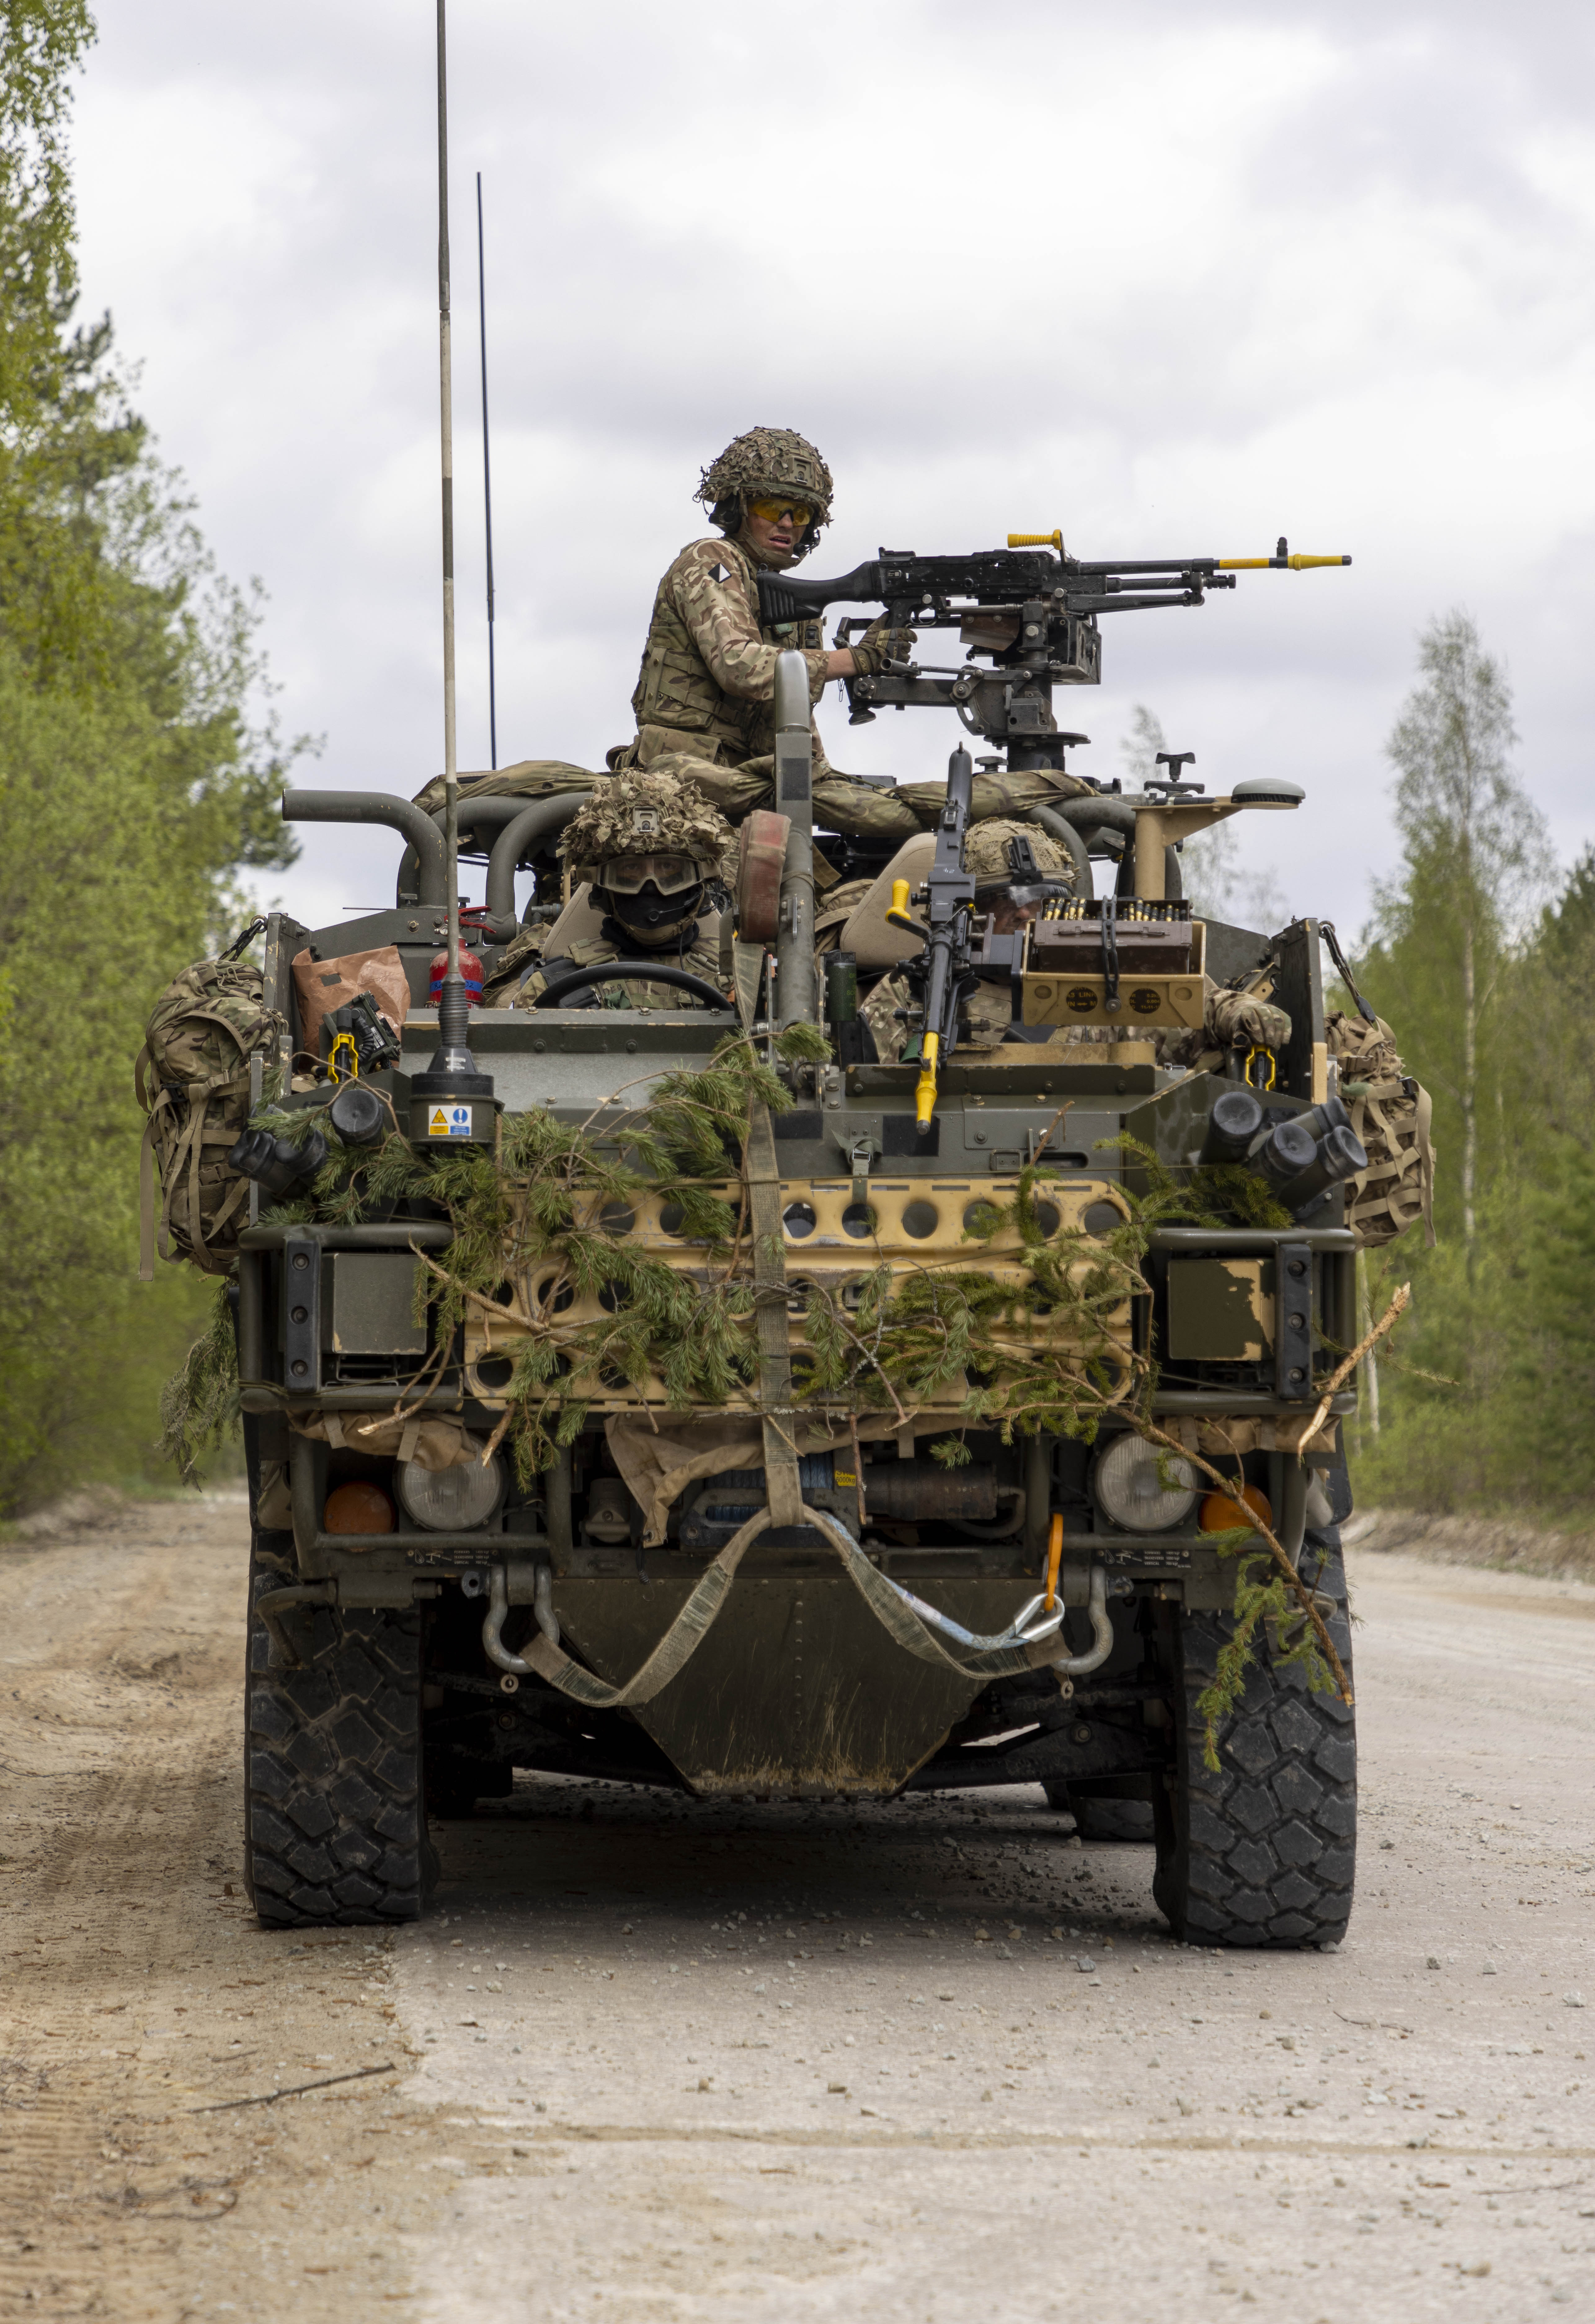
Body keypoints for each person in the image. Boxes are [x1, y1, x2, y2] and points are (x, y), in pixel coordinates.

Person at [609, 427, 923, 844]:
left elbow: (795, 716)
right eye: (771, 507)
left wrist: (819, 783)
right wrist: (856, 660)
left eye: (801, 513)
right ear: (738, 509)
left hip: (755, 790)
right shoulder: (712, 561)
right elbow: (739, 665)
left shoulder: (789, 601)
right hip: (685, 788)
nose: (788, 524)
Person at [509, 771, 734, 1012]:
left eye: (668, 868)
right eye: (631, 870)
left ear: (698, 884)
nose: (650, 886)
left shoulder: (741, 982)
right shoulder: (553, 987)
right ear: (603, 891)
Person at [857, 819, 1077, 1062]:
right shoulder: (915, 989)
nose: (1024, 913)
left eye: (1040, 899)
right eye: (1005, 898)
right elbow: (865, 1085)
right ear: (970, 912)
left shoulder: (1091, 990)